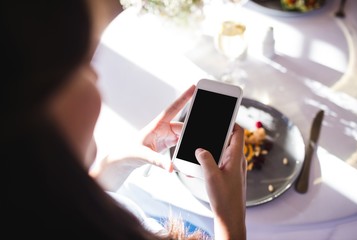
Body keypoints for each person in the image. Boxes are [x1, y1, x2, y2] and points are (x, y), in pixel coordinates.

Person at [1, 0, 247, 239]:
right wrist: (231, 222)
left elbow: (81, 207)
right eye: (82, 64)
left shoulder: (35, 202)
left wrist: (116, 164)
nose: (95, 76)